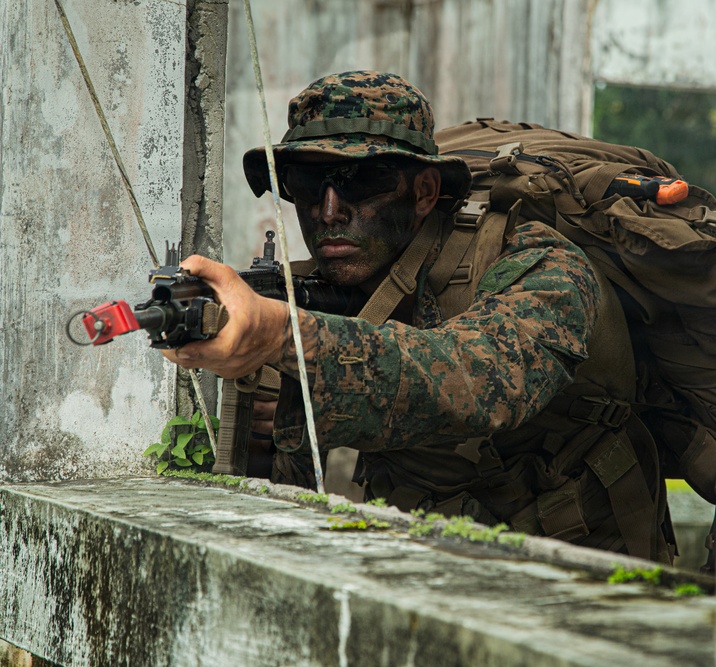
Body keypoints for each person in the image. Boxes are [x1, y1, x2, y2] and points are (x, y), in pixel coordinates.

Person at [165, 71, 674, 563]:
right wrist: (272, 424)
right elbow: (285, 503)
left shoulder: (537, 260)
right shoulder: (323, 292)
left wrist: (286, 338)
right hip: (427, 557)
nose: (329, 210)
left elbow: (481, 382)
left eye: (362, 182)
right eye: (307, 183)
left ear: (425, 192)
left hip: (580, 565)